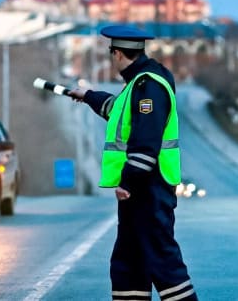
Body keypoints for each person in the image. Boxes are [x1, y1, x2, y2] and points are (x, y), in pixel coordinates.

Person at [68, 25, 198, 301]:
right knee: (129, 262)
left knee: (163, 260)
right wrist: (88, 95)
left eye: (111, 53)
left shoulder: (148, 85)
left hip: (148, 188)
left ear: (117, 54)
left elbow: (146, 139)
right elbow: (118, 111)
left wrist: (128, 181)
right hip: (142, 190)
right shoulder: (139, 83)